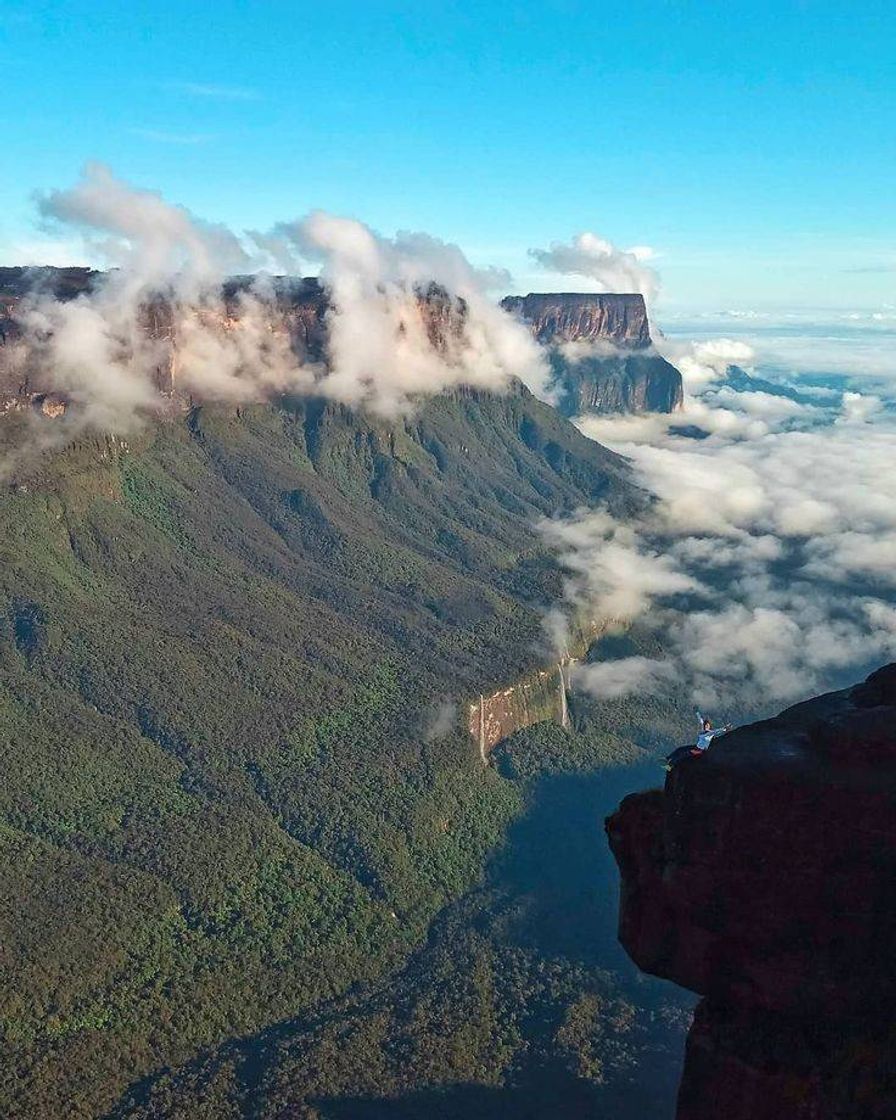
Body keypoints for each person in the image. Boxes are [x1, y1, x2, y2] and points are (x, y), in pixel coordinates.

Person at [663, 711, 733, 770]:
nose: (706, 726)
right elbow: (700, 720)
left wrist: (725, 728)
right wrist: (697, 712)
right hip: (696, 747)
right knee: (680, 749)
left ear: (709, 726)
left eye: (707, 725)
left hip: (701, 751)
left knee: (684, 754)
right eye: (705, 725)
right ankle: (667, 758)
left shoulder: (710, 733)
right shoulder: (703, 731)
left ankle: (670, 766)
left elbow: (718, 731)